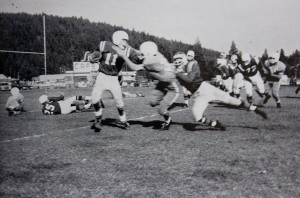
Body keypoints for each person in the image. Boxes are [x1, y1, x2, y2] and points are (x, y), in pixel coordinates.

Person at [174, 51, 268, 131]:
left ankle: (255, 109)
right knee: (197, 116)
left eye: (179, 59)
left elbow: (189, 79)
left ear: (184, 58)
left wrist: (177, 73)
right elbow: (181, 82)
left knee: (231, 100)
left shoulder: (192, 64)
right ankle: (215, 124)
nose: (177, 62)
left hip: (206, 89)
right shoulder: (177, 70)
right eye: (175, 60)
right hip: (198, 95)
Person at [113, 41, 180, 130]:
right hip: (162, 83)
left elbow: (134, 67)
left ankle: (168, 120)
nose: (142, 54)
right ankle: (164, 105)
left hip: (172, 87)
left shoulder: (150, 61)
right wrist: (129, 46)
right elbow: (141, 52)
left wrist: (124, 56)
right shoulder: (157, 55)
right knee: (152, 102)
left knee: (162, 110)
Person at [84, 30, 141, 132]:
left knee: (119, 102)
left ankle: (123, 120)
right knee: (95, 100)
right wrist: (93, 56)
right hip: (102, 76)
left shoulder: (127, 50)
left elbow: (135, 59)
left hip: (114, 78)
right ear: (118, 39)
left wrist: (142, 58)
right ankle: (98, 118)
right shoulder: (104, 45)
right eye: (124, 40)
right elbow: (96, 52)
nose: (125, 42)